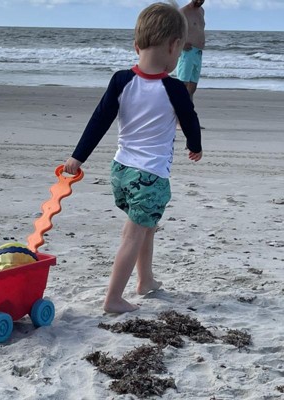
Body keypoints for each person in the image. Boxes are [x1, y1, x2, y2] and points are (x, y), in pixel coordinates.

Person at [64, 2, 203, 314]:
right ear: (175, 45)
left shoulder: (121, 80)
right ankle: (113, 298)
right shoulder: (175, 88)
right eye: (179, 52)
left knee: (146, 226)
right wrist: (195, 145)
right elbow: (190, 121)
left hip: (121, 171)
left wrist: (78, 157)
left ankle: (146, 281)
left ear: (137, 46)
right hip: (150, 176)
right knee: (133, 234)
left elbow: (99, 120)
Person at [176, 0, 206, 101]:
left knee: (192, 87)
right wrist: (181, 44)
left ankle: (188, 111)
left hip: (198, 53)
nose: (200, 1)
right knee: (182, 85)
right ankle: (178, 111)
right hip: (188, 53)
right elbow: (174, 30)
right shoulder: (183, 12)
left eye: (202, 0)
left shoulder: (201, 10)